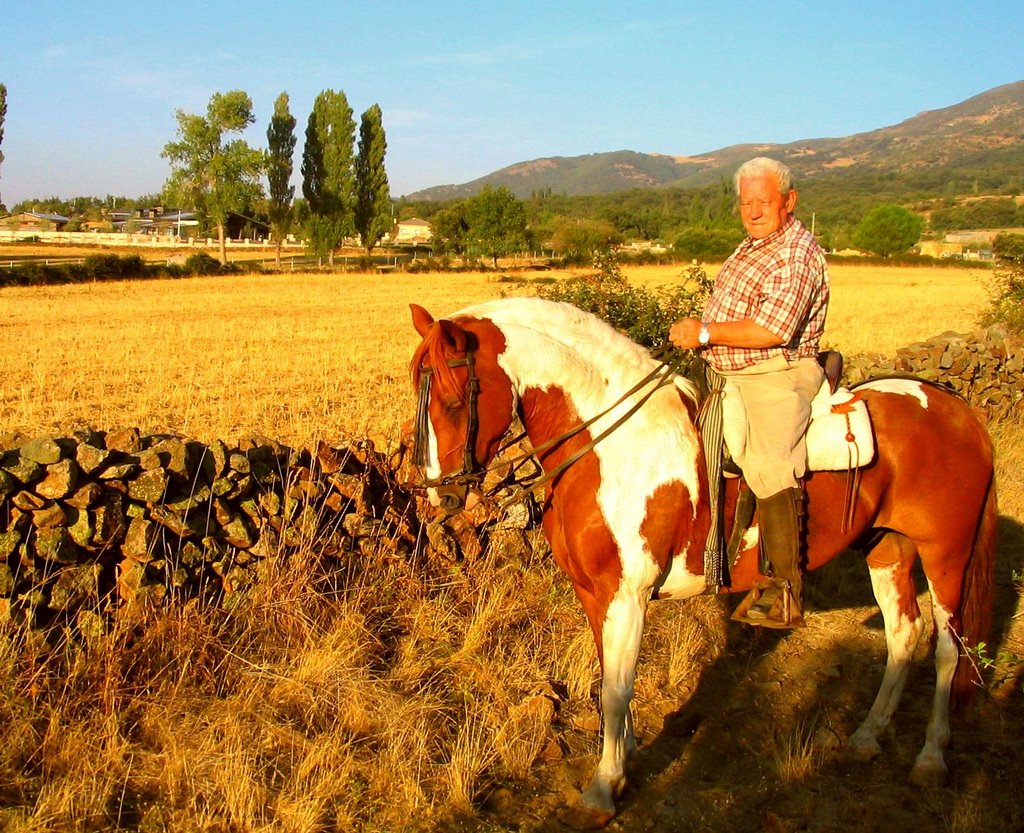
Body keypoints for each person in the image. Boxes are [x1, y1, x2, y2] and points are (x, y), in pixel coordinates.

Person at [669, 157, 830, 628]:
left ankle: (783, 588)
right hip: (726, 372)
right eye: (746, 202)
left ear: (789, 201)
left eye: (764, 201)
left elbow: (772, 330)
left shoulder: (796, 253)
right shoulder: (752, 246)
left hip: (775, 372)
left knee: (767, 462)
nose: (754, 210)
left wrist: (704, 334)